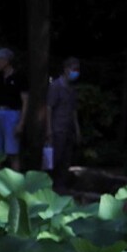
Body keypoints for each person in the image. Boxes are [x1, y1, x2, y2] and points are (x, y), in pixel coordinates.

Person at [0, 48, 28, 170]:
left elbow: (25, 101)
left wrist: (21, 123)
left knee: (13, 152)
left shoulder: (19, 77)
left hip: (12, 114)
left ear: (6, 61)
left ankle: (16, 186)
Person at [46, 57, 82, 191]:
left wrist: (77, 130)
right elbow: (49, 108)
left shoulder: (72, 89)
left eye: (77, 70)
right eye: (74, 69)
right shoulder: (56, 86)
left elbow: (74, 110)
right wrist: (48, 129)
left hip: (69, 129)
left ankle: (61, 186)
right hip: (57, 129)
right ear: (66, 69)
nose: (76, 72)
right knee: (55, 159)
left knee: (66, 160)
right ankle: (49, 186)